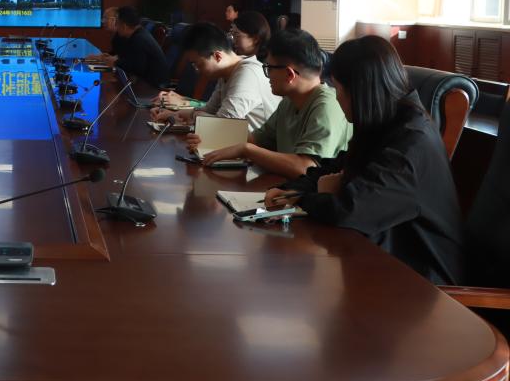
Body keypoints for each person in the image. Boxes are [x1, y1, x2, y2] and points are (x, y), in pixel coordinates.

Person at [263, 36, 463, 285]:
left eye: (337, 89)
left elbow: (348, 209)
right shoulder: (383, 121)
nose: (336, 98)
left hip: (422, 282)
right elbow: (335, 166)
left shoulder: (411, 142)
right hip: (382, 257)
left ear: (359, 91)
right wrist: (290, 191)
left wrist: (305, 197)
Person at [188, 29, 351, 177]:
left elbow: (306, 167)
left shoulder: (327, 106)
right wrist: (210, 138)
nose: (267, 76)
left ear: (289, 74)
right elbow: (257, 140)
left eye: (269, 68)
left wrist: (246, 150)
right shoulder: (289, 101)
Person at [151, 23, 280, 131]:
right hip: (234, 144)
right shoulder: (226, 72)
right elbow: (209, 110)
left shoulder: (247, 73)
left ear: (217, 56)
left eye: (198, 64)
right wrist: (174, 114)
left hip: (258, 149)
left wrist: (195, 115)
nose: (197, 70)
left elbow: (224, 123)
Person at [111, 6, 172, 88]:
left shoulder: (139, 39)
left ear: (124, 26)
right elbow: (131, 60)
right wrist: (115, 60)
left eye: (117, 23)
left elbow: (137, 69)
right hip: (146, 82)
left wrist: (115, 62)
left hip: (154, 87)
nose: (115, 26)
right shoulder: (138, 34)